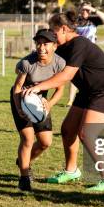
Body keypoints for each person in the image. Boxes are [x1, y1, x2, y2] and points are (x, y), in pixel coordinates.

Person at [23, 11, 104, 191]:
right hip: (87, 91)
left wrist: (39, 87)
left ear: (63, 29)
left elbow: (66, 75)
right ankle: (71, 171)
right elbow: (46, 60)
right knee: (68, 130)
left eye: (53, 30)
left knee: (87, 134)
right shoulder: (61, 46)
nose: (51, 34)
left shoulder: (80, 44)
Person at [11, 29, 66, 191]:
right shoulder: (27, 63)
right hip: (20, 99)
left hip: (41, 102)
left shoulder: (59, 63)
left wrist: (48, 104)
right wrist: (21, 108)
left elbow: (59, 89)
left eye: (46, 44)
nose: (41, 47)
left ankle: (23, 161)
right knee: (27, 139)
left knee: (45, 142)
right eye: (38, 43)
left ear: (55, 46)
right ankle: (24, 178)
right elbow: (17, 87)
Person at [66, 2, 104, 106]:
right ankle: (70, 100)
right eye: (83, 9)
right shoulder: (76, 20)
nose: (85, 12)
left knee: (91, 75)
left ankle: (91, 97)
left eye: (88, 10)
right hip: (77, 52)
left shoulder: (93, 20)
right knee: (75, 75)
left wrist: (93, 9)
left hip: (90, 53)